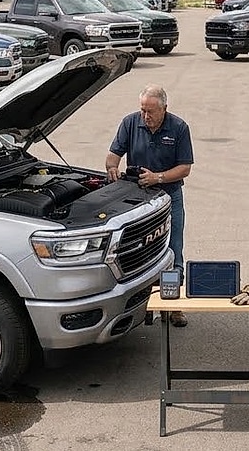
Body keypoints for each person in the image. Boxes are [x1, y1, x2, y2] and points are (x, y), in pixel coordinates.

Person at [105, 84, 194, 327]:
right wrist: (112, 166)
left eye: (151, 111)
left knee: (173, 251)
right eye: (143, 110)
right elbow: (113, 154)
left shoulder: (179, 128)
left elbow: (185, 167)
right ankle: (145, 307)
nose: (146, 116)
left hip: (170, 198)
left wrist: (159, 177)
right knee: (140, 255)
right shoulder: (130, 123)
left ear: (165, 108)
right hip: (138, 202)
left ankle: (174, 307)